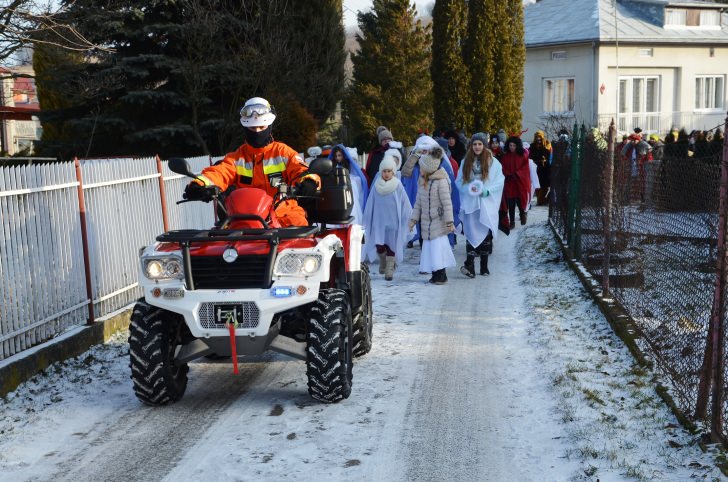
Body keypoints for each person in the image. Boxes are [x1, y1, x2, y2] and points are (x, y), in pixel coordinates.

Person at [183, 97, 317, 227]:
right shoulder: (236, 158)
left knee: (301, 231)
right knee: (221, 242)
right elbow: (219, 172)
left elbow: (300, 169)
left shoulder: (283, 153)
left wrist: (309, 182)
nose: (257, 131)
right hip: (244, 218)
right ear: (246, 129)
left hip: (283, 214)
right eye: (253, 128)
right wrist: (199, 184)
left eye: (261, 127)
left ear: (269, 126)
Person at [455, 133, 505, 278]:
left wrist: (487, 191)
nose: (477, 147)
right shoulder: (465, 162)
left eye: (480, 144)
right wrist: (467, 189)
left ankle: (484, 266)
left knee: (484, 232)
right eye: (475, 144)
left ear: (484, 145)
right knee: (470, 232)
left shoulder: (493, 163)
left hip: (485, 203)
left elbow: (499, 181)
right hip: (471, 203)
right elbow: (459, 181)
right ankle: (469, 264)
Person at [408, 146, 456, 285]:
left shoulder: (441, 182)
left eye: (422, 168)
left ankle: (441, 274)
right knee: (429, 250)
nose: (420, 170)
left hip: (438, 221)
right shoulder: (422, 181)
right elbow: (418, 203)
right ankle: (435, 274)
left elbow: (447, 204)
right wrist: (413, 219)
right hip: (426, 223)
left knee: (438, 249)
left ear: (428, 169)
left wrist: (449, 222)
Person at [402, 135, 460, 249]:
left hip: (436, 210)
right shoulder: (416, 162)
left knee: (437, 237)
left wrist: (449, 221)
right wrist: (415, 156)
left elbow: (447, 200)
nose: (424, 152)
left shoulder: (439, 167)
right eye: (422, 150)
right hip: (421, 203)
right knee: (424, 233)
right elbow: (406, 172)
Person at [362, 153, 412, 281]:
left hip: (393, 221)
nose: (386, 174)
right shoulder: (376, 186)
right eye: (384, 171)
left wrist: (409, 218)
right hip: (379, 222)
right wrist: (368, 218)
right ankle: (382, 260)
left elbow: (404, 203)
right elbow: (370, 203)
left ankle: (389, 269)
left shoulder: (397, 185)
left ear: (393, 172)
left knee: (392, 245)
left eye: (389, 171)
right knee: (380, 244)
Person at [330, 144, 368, 226]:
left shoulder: (349, 170)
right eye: (336, 156)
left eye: (339, 155)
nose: (337, 158)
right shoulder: (333, 167)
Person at [500, 135, 531, 229]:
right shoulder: (505, 157)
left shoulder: (522, 156)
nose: (512, 147)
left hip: (519, 183)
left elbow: (525, 168)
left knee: (520, 200)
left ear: (517, 146)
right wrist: (507, 174)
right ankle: (512, 221)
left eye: (514, 145)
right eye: (510, 145)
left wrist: (517, 174)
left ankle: (522, 214)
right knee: (510, 203)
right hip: (509, 183)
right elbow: (502, 167)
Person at [528, 130, 552, 205]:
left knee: (545, 186)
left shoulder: (546, 145)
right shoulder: (532, 146)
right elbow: (530, 156)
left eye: (540, 138)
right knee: (537, 185)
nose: (538, 139)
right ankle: (540, 200)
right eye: (537, 138)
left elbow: (549, 156)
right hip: (535, 168)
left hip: (545, 168)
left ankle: (541, 200)